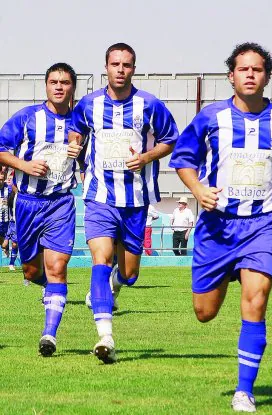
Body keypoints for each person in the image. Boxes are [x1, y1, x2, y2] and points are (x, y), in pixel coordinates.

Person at [169, 42, 272, 413]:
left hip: (263, 224)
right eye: (243, 69)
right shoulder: (211, 118)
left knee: (256, 302)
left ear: (267, 77)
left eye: (257, 69)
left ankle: (245, 391)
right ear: (231, 76)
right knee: (204, 312)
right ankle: (228, 272)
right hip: (217, 228)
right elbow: (183, 159)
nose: (250, 74)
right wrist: (197, 189)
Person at [68, 42, 178, 364]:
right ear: (106, 67)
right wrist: (75, 145)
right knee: (100, 259)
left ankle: (113, 286)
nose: (120, 69)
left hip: (136, 200)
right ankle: (106, 336)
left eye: (126, 65)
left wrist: (146, 156)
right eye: (115, 64)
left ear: (133, 68)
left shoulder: (150, 105)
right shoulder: (88, 104)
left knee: (129, 275)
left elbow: (170, 139)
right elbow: (76, 131)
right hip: (100, 197)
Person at [0, 62, 77, 357]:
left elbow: (91, 156)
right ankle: (50, 290)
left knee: (57, 268)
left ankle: (49, 335)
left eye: (65, 82)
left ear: (72, 87)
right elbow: (1, 148)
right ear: (46, 85)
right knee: (32, 272)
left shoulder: (80, 122)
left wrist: (80, 151)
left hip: (61, 203)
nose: (59, 86)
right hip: (28, 203)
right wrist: (24, 165)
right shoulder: (27, 117)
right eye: (54, 82)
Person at [2, 181, 19, 272]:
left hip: (19, 223)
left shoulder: (23, 196)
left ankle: (11, 263)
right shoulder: (10, 195)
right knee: (4, 245)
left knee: (15, 244)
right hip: (10, 222)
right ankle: (6, 249)